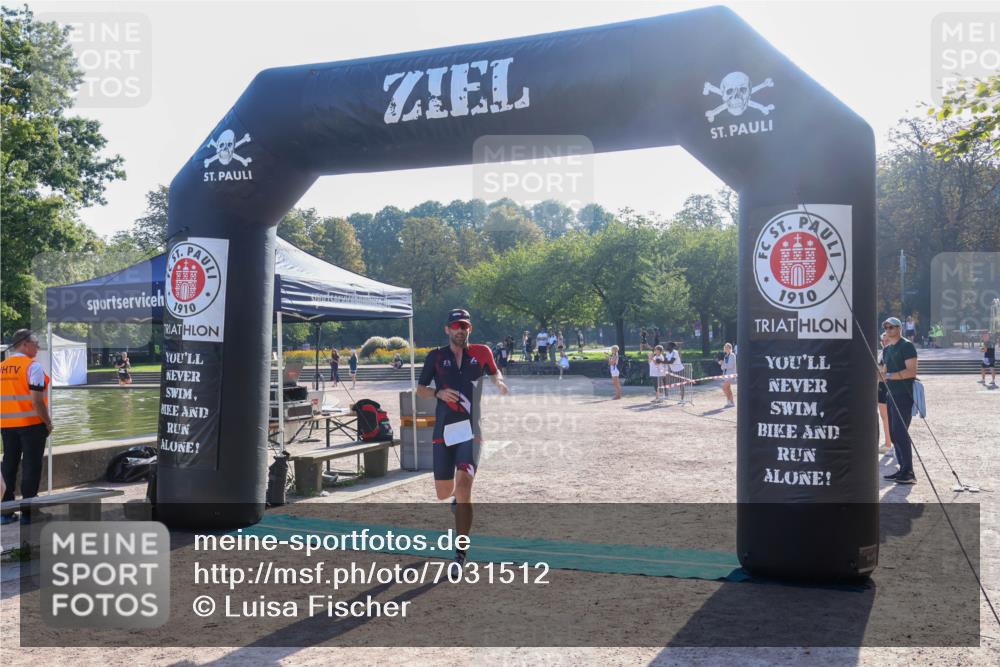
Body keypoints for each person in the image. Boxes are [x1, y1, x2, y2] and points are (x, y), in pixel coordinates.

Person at [416, 309, 509, 574]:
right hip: (444, 431)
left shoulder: (481, 352)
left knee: (466, 484)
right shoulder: (435, 356)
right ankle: (455, 499)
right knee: (444, 493)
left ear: (470, 329)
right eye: (456, 326)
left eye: (465, 326)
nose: (461, 330)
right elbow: (420, 390)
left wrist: (499, 383)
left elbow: (495, 373)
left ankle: (460, 553)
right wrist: (439, 393)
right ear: (447, 329)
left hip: (471, 430)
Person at [1, 329, 53, 525]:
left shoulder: (2, 366)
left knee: (9, 465)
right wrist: (47, 422)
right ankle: (30, 513)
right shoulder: (33, 367)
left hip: (6, 425)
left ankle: (6, 511)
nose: (38, 347)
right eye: (35, 343)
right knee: (32, 466)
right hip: (32, 425)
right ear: (24, 344)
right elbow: (37, 401)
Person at [880, 317, 919, 485]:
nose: (888, 330)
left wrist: (888, 376)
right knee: (894, 433)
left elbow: (911, 371)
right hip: (890, 395)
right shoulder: (887, 350)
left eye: (891, 327)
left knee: (901, 432)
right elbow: (883, 373)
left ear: (899, 328)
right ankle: (902, 469)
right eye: (886, 327)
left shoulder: (907, 346)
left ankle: (909, 472)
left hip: (903, 395)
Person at [877, 332, 894, 456]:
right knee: (884, 417)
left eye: (887, 340)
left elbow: (883, 371)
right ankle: (888, 443)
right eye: (883, 340)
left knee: (890, 417)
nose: (884, 342)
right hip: (881, 386)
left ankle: (892, 444)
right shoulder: (882, 353)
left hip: (889, 385)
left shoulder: (891, 354)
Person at [718, 342, 737, 408]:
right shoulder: (726, 356)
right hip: (726, 375)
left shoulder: (732, 355)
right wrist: (722, 364)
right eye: (725, 348)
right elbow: (722, 367)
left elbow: (731, 366)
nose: (725, 349)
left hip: (731, 375)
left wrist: (723, 364)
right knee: (728, 389)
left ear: (730, 348)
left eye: (726, 348)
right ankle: (731, 402)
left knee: (724, 387)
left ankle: (730, 401)